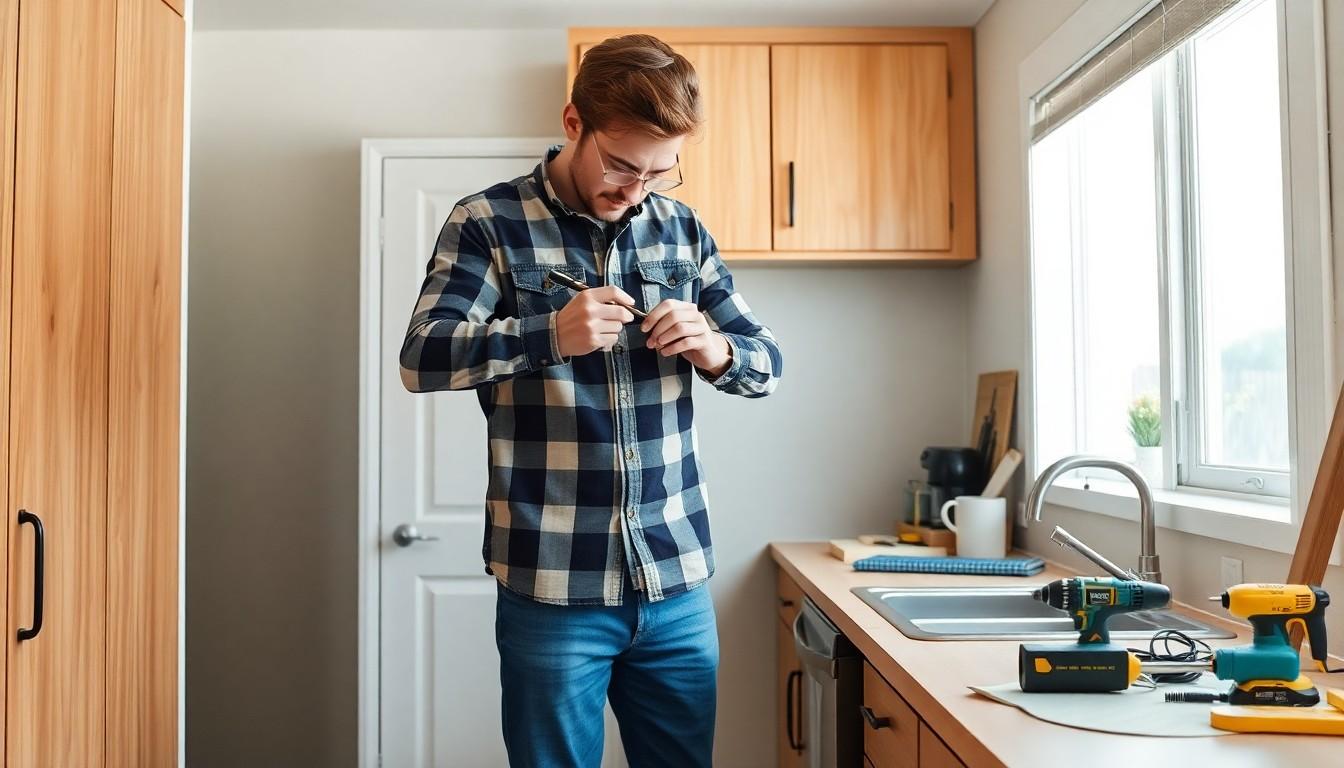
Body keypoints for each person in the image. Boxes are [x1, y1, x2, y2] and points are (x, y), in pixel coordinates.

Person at [399, 33, 782, 767]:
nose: (635, 189)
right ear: (573, 123)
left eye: (659, 172)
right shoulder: (488, 223)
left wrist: (715, 347)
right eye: (620, 165)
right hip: (552, 586)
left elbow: (767, 365)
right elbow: (421, 357)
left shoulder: (683, 231)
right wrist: (545, 335)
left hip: (677, 584)